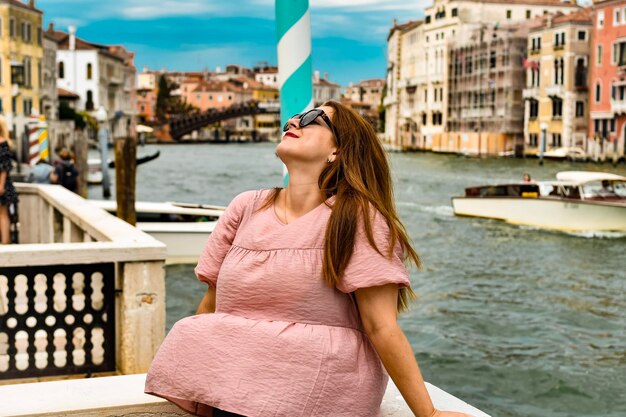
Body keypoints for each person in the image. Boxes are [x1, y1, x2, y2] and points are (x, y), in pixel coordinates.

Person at [145, 101, 473, 417]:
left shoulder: (357, 217)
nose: (293, 122)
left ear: (337, 151)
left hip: (313, 395)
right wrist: (198, 387)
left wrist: (427, 412)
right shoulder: (245, 207)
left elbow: (381, 326)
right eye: (293, 118)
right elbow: (212, 308)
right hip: (233, 391)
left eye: (313, 119)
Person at [0, 116, 18, 244]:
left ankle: (5, 243)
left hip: (1, 184)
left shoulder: (3, 144)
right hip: (2, 183)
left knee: (2, 214)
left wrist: (1, 186)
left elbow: (5, 168)